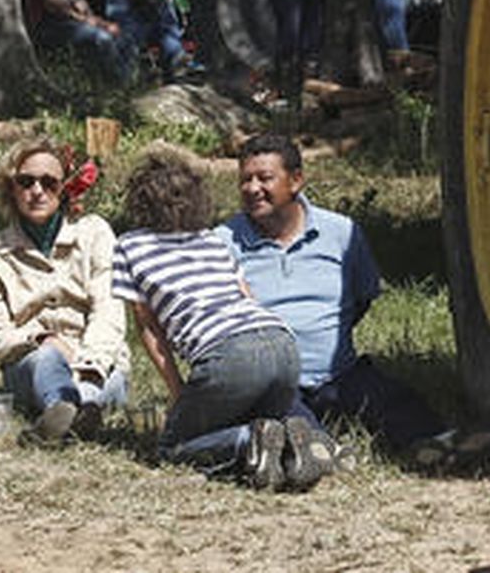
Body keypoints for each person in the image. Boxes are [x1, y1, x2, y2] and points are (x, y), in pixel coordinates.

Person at [217, 133, 479, 467]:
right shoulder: (223, 242)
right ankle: (316, 451)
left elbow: (362, 297)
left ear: (296, 180)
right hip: (274, 381)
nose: (253, 188)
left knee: (394, 400)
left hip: (338, 373)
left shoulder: (340, 233)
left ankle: (437, 446)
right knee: (284, 418)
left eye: (265, 178)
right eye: (245, 179)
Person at [113, 155, 334, 490]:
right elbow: (247, 298)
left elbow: (149, 329)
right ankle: (299, 440)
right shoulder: (212, 239)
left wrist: (177, 392)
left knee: (172, 448)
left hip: (227, 353)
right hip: (281, 341)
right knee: (257, 416)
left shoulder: (129, 246)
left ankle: (248, 441)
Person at [0, 138, 129, 444]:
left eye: (49, 183)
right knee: (45, 360)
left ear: (64, 188)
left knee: (101, 379)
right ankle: (72, 410)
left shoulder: (95, 232)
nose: (37, 191)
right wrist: (40, 339)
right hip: (31, 358)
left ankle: (72, 409)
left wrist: (87, 363)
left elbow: (108, 310)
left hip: (95, 360)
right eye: (26, 181)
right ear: (11, 188)